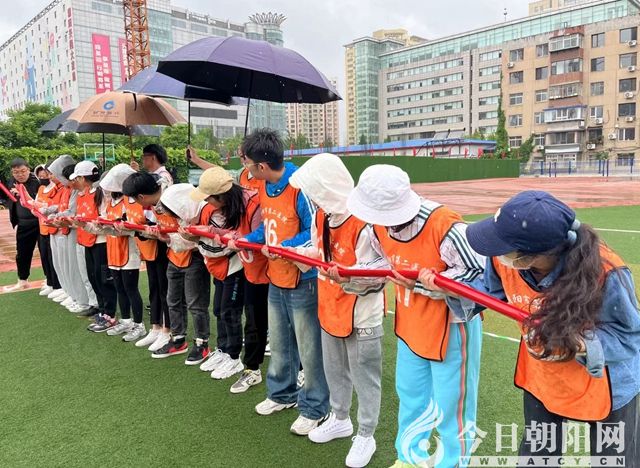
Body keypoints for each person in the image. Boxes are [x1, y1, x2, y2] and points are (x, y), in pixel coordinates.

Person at [421, 190, 640, 465]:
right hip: (543, 375)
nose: (495, 251)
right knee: (537, 455)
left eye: (502, 245)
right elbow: (489, 292)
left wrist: (582, 344)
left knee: (615, 458)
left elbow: (629, 337)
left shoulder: (607, 273)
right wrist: (446, 289)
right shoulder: (504, 260)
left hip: (605, 382)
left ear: (533, 255)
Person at [346, 165, 484, 468]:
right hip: (410, 324)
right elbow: (383, 263)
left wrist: (425, 284)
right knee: (411, 396)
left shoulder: (444, 226)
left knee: (452, 406)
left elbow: (480, 274)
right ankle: (410, 458)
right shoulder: (378, 227)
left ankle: (452, 463)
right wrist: (353, 276)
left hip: (450, 327)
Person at [227, 128, 330, 436]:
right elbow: (268, 228)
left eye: (247, 162)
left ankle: (315, 408)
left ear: (261, 165)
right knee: (281, 341)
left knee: (309, 348)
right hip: (276, 277)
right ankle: (282, 394)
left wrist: (285, 247)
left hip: (303, 279)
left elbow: (315, 232)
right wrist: (248, 240)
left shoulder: (299, 187)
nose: (245, 167)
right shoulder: (263, 185)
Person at [289, 153, 385, 468]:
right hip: (330, 305)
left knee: (365, 375)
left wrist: (348, 276)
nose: (313, 198)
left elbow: (380, 270)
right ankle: (340, 418)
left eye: (315, 191)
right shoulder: (323, 216)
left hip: (362, 313)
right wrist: (295, 252)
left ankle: (366, 434)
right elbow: (319, 250)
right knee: (334, 368)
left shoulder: (365, 221)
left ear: (327, 187)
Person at [190, 165, 270, 392]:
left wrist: (235, 238)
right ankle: (240, 361)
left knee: (252, 319)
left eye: (209, 198)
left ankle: (237, 358)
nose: (207, 203)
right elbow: (235, 234)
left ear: (221, 195)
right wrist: (213, 232)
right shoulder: (231, 204)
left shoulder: (254, 202)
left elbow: (258, 236)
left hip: (262, 269)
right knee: (232, 313)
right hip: (246, 266)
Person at [141, 182, 213, 364]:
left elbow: (194, 242)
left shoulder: (201, 213)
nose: (167, 213)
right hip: (174, 257)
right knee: (172, 300)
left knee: (196, 304)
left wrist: (170, 238)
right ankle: (178, 339)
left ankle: (202, 344)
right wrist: (164, 238)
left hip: (195, 259)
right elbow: (174, 239)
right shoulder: (170, 212)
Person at [88, 164, 144, 337]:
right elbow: (106, 222)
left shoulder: (130, 201)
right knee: (119, 288)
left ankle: (139, 324)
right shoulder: (110, 202)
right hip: (113, 250)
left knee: (130, 288)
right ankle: (126, 321)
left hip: (128, 251)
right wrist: (92, 224)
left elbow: (135, 225)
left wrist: (118, 226)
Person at [121, 172, 172, 351]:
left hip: (166, 249)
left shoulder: (167, 199)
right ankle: (156, 327)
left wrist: (148, 230)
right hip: (151, 248)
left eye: (135, 198)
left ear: (141, 196)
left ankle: (167, 330)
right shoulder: (149, 202)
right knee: (154, 288)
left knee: (165, 291)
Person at [71, 160, 118, 320]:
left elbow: (104, 215)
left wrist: (95, 222)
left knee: (103, 278)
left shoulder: (100, 193)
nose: (76, 181)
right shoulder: (84, 194)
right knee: (93, 277)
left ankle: (109, 312)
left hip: (100, 241)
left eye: (77, 178)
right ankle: (101, 309)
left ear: (84, 178)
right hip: (87, 239)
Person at [3, 158, 41, 292]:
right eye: (16, 172)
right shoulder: (11, 182)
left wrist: (24, 194)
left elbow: (39, 201)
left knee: (46, 253)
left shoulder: (37, 181)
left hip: (39, 223)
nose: (20, 175)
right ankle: (22, 280)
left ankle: (52, 281)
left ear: (28, 170)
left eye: (23, 171)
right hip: (23, 224)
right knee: (22, 253)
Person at [33, 163, 62, 298]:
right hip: (42, 228)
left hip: (53, 228)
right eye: (40, 176)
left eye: (45, 175)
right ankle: (50, 282)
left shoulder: (55, 189)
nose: (43, 178)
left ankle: (57, 285)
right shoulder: (41, 188)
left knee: (53, 259)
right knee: (44, 257)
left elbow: (52, 206)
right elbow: (35, 204)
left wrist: (42, 207)